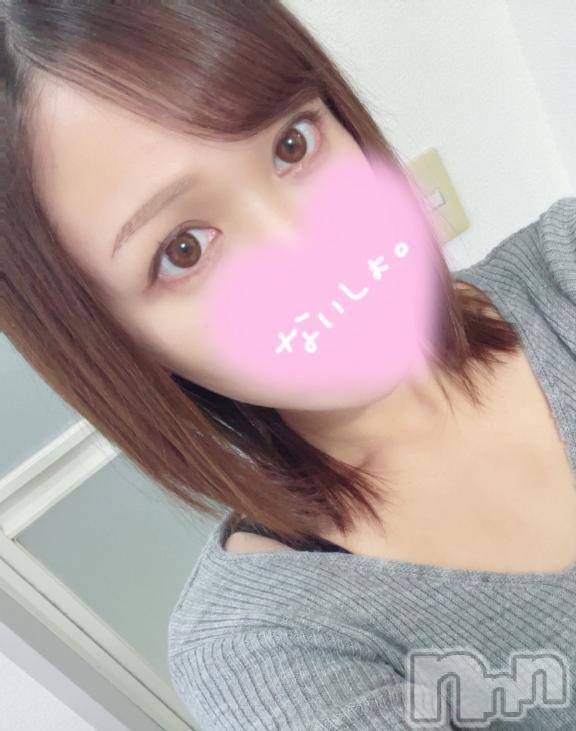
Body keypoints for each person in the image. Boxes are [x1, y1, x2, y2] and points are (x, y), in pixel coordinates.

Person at [2, 2, 575, 729]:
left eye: (293, 144)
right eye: (184, 248)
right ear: (112, 341)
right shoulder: (264, 648)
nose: (309, 247)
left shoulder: (563, 264)